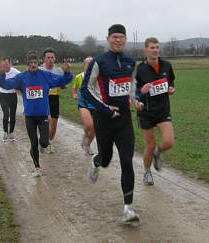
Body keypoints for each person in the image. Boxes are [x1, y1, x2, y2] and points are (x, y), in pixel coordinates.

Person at [81, 24, 139, 224]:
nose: (118, 40)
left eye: (121, 37)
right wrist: (105, 109)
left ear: (125, 40)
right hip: (103, 119)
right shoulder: (99, 62)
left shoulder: (131, 62)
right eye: (114, 37)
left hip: (124, 120)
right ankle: (97, 161)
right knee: (106, 160)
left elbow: (132, 86)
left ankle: (128, 209)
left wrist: (136, 100)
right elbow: (85, 90)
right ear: (108, 39)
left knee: (126, 161)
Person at [0, 52, 73, 176]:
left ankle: (43, 146)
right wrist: (1, 74)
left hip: (43, 115)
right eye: (31, 63)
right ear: (27, 64)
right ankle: (37, 167)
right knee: (33, 143)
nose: (33, 65)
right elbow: (6, 84)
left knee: (43, 142)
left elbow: (61, 81)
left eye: (35, 63)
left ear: (38, 64)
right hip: (29, 117)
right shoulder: (22, 77)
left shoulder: (45, 75)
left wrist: (67, 73)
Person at [133, 37, 175, 186]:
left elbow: (170, 82)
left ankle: (158, 153)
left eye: (157, 47)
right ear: (146, 50)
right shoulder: (139, 69)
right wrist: (140, 94)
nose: (155, 50)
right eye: (152, 47)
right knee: (149, 145)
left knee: (169, 142)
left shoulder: (166, 66)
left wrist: (171, 88)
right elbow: (133, 91)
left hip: (163, 110)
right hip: (146, 112)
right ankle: (147, 171)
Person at [39, 48, 64, 153]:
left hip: (54, 98)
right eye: (48, 57)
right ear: (44, 59)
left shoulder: (59, 71)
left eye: (52, 57)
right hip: (43, 98)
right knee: (47, 121)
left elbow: (62, 84)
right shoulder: (39, 70)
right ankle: (43, 141)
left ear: (54, 59)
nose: (50, 59)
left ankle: (48, 142)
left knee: (53, 125)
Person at [71, 56, 95, 155]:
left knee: (94, 130)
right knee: (89, 125)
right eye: (87, 63)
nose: (89, 65)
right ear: (84, 65)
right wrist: (74, 94)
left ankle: (87, 145)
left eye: (92, 63)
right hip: (83, 104)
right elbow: (74, 88)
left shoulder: (99, 77)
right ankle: (85, 134)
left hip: (96, 105)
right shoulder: (79, 77)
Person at [0, 57, 20, 142]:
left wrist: (18, 87)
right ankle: (5, 132)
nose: (5, 66)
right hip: (3, 95)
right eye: (3, 65)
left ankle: (11, 132)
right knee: (6, 114)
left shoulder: (15, 72)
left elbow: (22, 79)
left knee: (13, 115)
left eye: (6, 64)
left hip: (13, 95)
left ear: (10, 64)